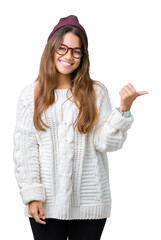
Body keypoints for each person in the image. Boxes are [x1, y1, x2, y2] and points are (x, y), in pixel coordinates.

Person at [13, 15, 148, 240]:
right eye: (62, 48)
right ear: (51, 49)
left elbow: (105, 143)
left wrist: (123, 110)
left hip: (90, 205)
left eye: (76, 51)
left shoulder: (96, 92)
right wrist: (32, 196)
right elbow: (25, 151)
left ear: (83, 55)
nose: (69, 56)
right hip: (45, 205)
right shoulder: (31, 95)